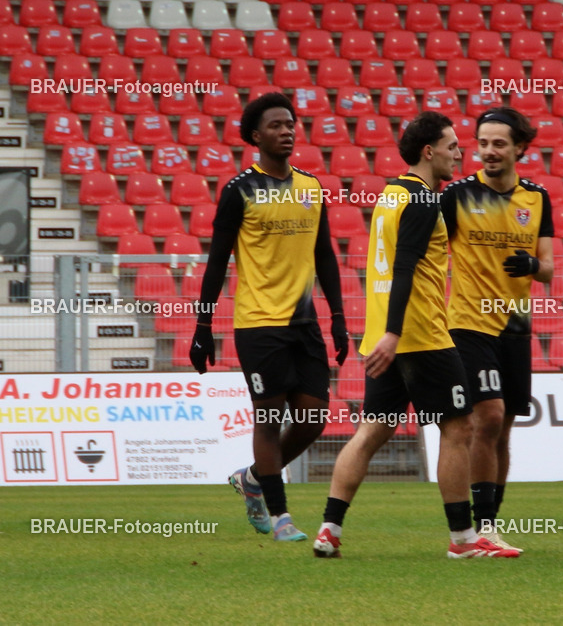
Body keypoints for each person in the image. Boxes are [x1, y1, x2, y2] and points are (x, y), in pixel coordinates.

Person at [313, 112, 518, 560]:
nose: (460, 153)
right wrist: (394, 332)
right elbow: (405, 265)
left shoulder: (390, 195)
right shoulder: (425, 201)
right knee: (458, 427)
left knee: (371, 430)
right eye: (452, 146)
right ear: (429, 152)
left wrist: (384, 331)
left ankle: (329, 529)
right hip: (420, 333)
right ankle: (464, 540)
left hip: (384, 333)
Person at [189, 92, 349, 542]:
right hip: (258, 322)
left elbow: (325, 257)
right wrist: (203, 327)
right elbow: (217, 263)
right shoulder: (238, 191)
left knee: (315, 417)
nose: (287, 130)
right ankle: (281, 518)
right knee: (269, 414)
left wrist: (338, 318)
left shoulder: (311, 188)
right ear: (256, 136)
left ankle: (253, 479)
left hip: (305, 322)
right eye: (277, 125)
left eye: (291, 123)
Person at [440, 108, 555, 552]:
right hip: (469, 323)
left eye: (498, 144)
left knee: (503, 428)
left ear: (519, 148)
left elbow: (547, 269)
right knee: (486, 417)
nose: (488, 151)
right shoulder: (457, 196)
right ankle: (477, 527)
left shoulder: (537, 198)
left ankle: (489, 524)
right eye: (482, 143)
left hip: (515, 326)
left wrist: (532, 265)